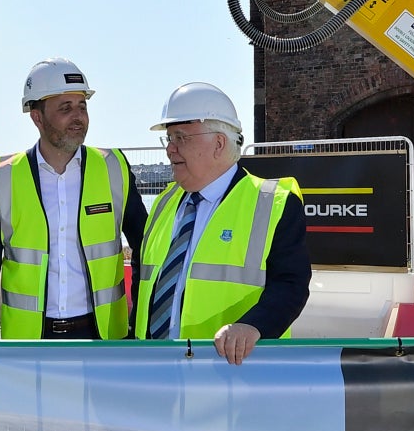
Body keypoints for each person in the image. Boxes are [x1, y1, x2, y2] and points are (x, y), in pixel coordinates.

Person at [0, 57, 148, 340]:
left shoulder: (113, 167)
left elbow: (145, 251)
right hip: (29, 343)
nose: (78, 117)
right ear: (37, 117)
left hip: (103, 338)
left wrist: (140, 328)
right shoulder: (3, 176)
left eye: (82, 106)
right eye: (65, 108)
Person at [132, 82, 310, 365]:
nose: (170, 149)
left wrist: (255, 325)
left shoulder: (273, 203)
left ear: (218, 143)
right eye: (168, 139)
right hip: (156, 367)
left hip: (231, 371)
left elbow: (291, 284)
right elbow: (144, 281)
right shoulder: (164, 203)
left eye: (181, 137)